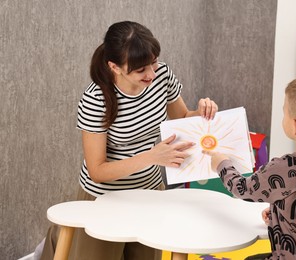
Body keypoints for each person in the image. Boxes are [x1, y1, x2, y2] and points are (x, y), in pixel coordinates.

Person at [40, 20, 218, 260]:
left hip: (150, 193)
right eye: (141, 70)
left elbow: (183, 118)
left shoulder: (161, 75)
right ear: (115, 67)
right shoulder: (96, 100)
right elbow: (98, 170)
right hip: (104, 198)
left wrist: (203, 111)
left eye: (153, 63)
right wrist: (151, 157)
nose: (151, 74)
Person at [203, 76, 296, 259]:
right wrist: (280, 214)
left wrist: (221, 163)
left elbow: (241, 188)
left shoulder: (283, 168)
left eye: (285, 112)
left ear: (295, 125)